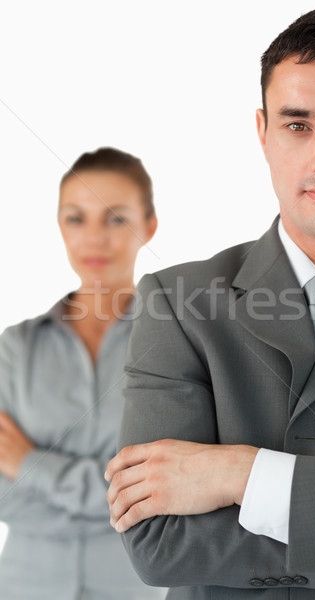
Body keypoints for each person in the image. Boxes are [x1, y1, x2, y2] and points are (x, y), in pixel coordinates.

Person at [106, 7, 315, 600]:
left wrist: (238, 474)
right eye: (298, 124)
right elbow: (161, 545)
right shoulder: (177, 303)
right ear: (262, 133)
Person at [0, 147, 166, 599]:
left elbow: (163, 490)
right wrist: (111, 504)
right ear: (60, 227)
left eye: (115, 218)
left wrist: (28, 463)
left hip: (133, 587)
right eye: (76, 218)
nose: (95, 238)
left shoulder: (175, 345)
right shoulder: (16, 347)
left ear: (148, 226)